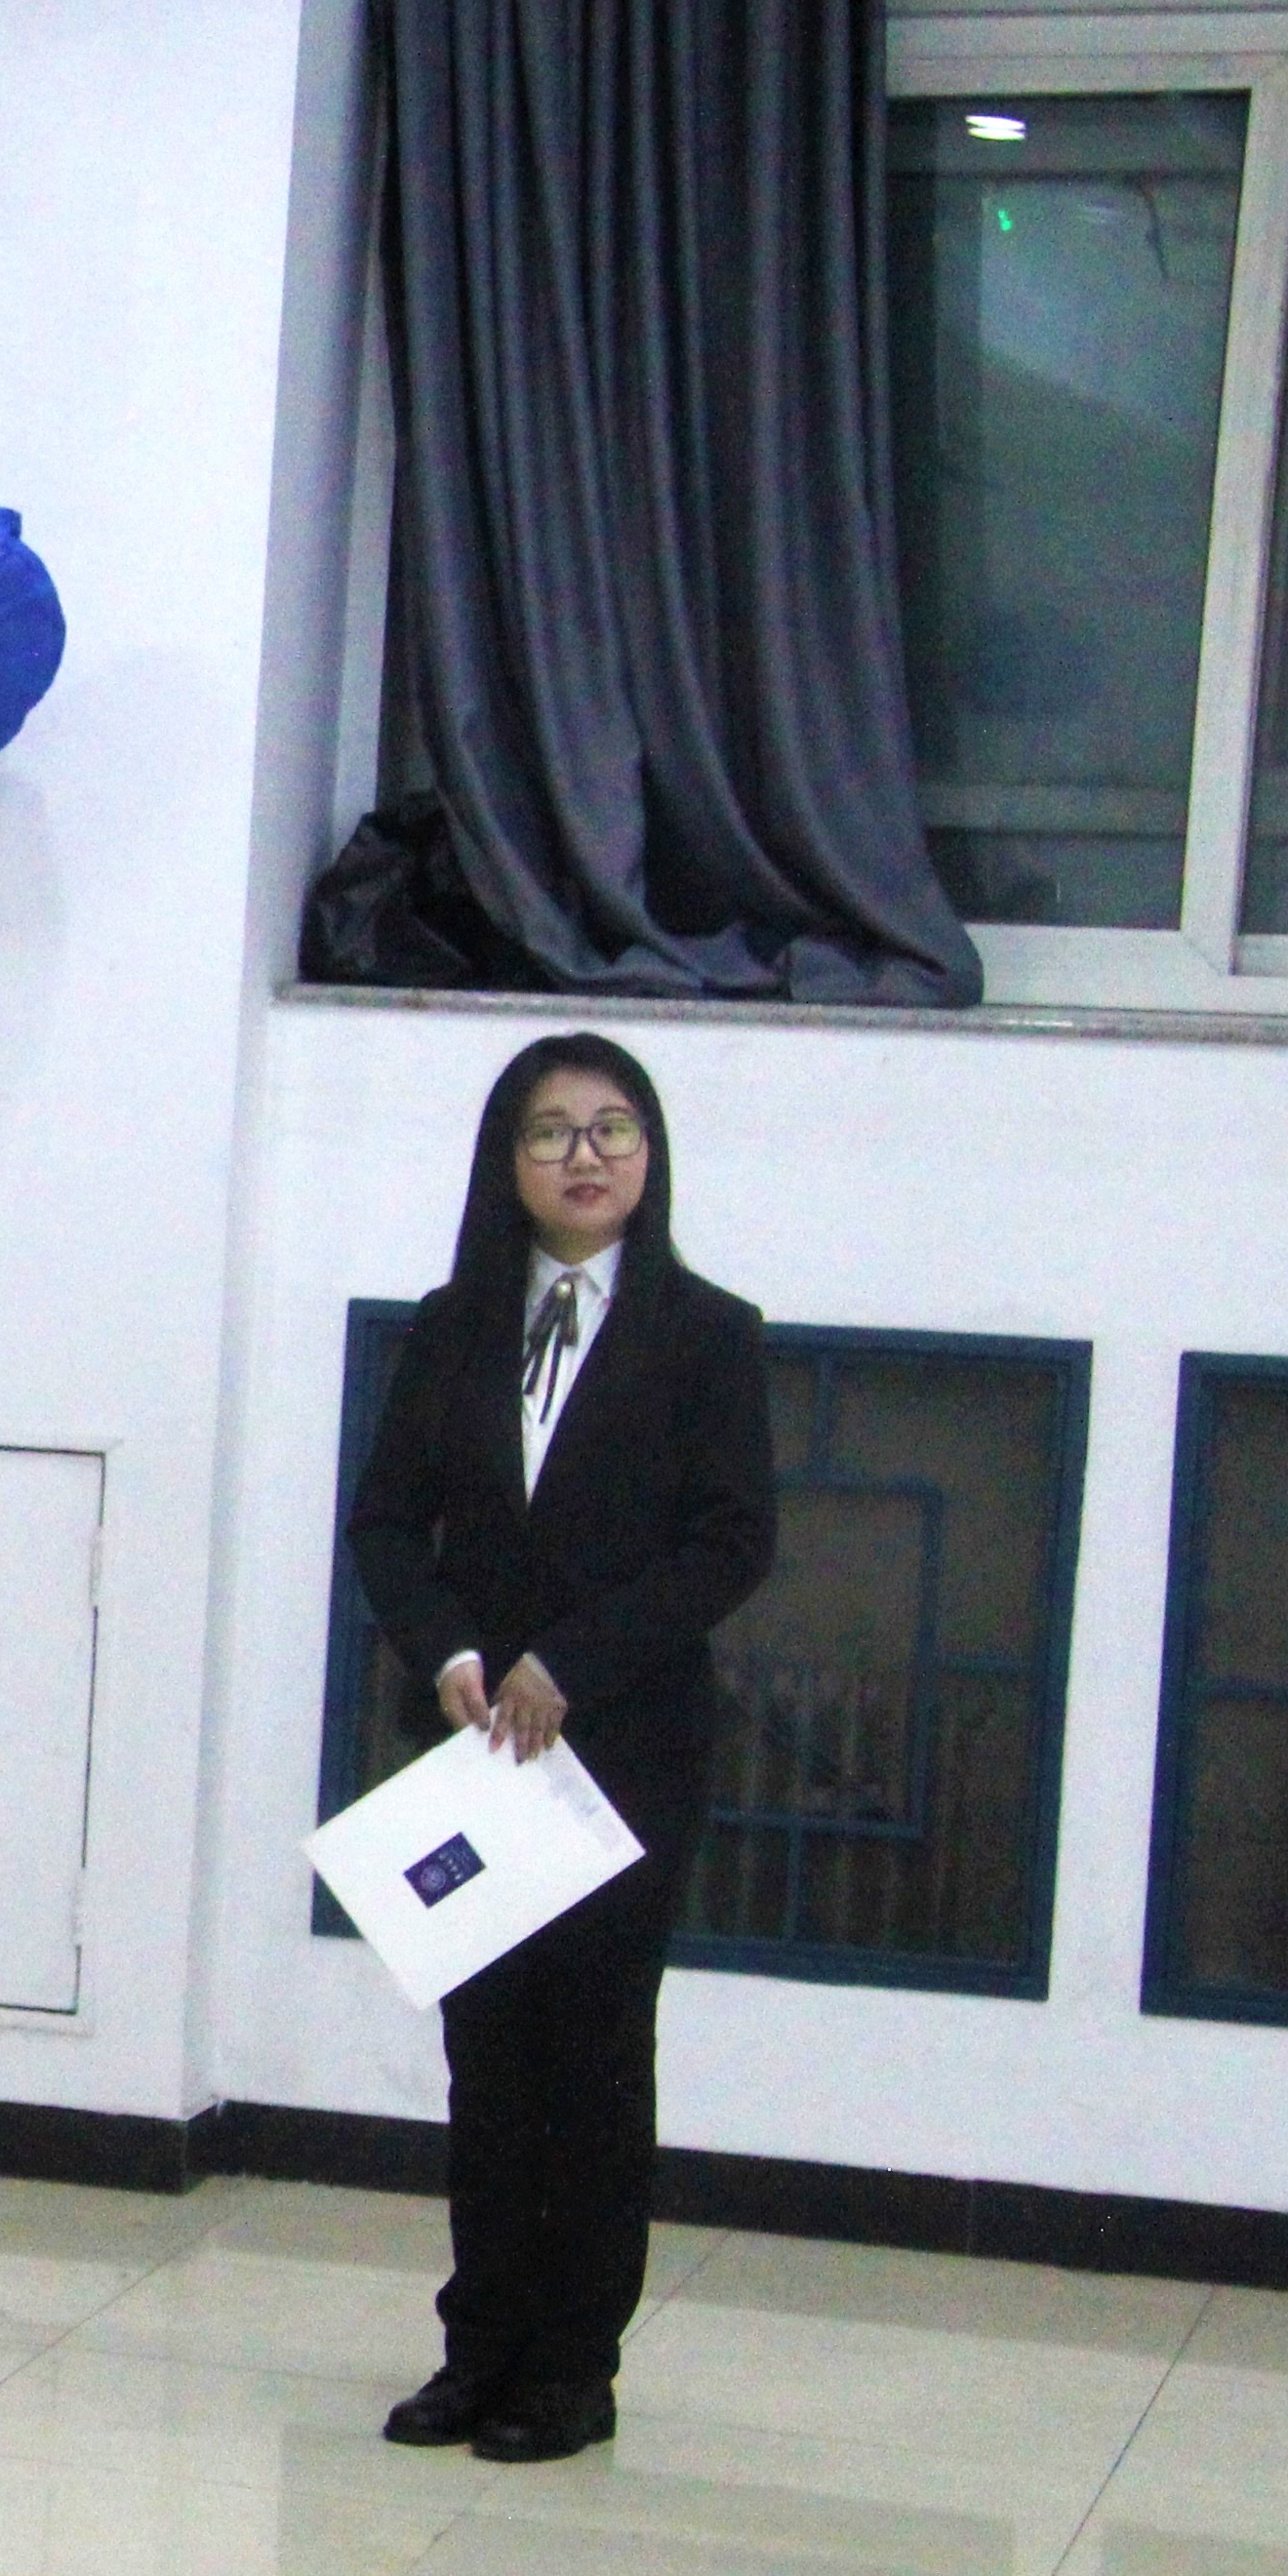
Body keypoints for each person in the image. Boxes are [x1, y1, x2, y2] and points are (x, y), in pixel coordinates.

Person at [342, 1034, 778, 2465]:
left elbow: (734, 1542)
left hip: (624, 1752)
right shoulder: (453, 1325)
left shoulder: (709, 1333)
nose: (584, 1156)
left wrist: (571, 1664)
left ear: (650, 1153)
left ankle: (573, 2369)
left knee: (592, 2063)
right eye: (550, 1132)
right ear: (507, 1162)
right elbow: (388, 1525)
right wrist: (453, 1656)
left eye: (611, 1128)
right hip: (480, 1751)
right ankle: (478, 2351)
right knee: (489, 2064)